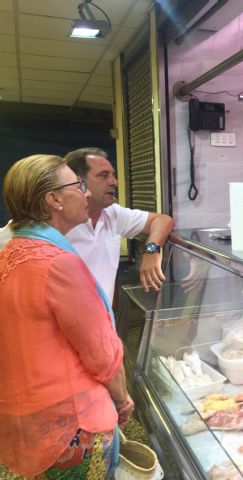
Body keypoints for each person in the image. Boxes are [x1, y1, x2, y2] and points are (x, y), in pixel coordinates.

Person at [0, 155, 133, 478]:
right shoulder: (60, 264)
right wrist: (123, 398)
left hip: (22, 421)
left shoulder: (8, 254)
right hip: (71, 427)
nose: (86, 194)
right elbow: (102, 354)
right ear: (54, 199)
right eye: (78, 185)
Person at [64, 147, 175, 303]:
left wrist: (151, 250)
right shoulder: (58, 222)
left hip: (102, 321)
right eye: (104, 176)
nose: (114, 182)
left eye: (113, 175)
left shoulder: (113, 214)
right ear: (78, 182)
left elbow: (163, 220)